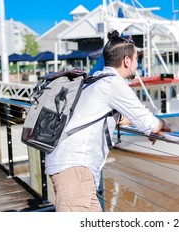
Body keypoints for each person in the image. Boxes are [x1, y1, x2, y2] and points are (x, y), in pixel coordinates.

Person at [45, 29, 172, 212]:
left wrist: (142, 126)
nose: (137, 63)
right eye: (137, 59)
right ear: (127, 61)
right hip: (76, 168)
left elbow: (104, 115)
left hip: (74, 167)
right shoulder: (113, 83)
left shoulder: (96, 79)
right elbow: (146, 119)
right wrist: (164, 127)